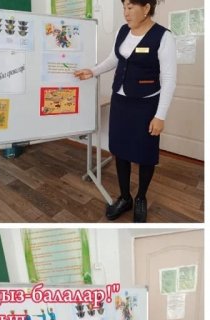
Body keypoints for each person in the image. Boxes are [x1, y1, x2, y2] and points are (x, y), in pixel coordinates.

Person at [74, 0, 176, 223]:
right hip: (120, 101)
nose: (126, 13)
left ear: (146, 8)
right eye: (124, 8)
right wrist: (93, 71)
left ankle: (140, 198)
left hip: (146, 104)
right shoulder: (123, 31)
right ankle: (125, 197)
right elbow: (114, 59)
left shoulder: (163, 36)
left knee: (145, 153)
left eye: (130, 7)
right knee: (120, 150)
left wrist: (160, 115)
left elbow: (169, 79)